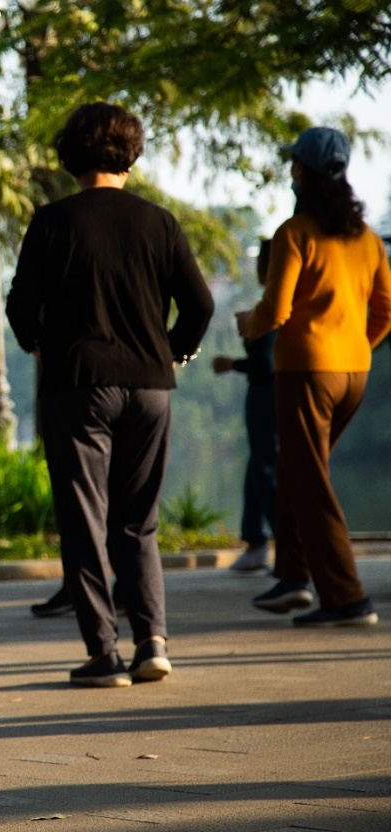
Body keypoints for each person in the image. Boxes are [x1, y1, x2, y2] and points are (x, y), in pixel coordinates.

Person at [6, 102, 214, 687]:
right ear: (131, 153)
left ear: (69, 155)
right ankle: (153, 642)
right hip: (150, 386)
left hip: (77, 385)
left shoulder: (52, 222)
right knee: (137, 522)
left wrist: (40, 344)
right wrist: (172, 351)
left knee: (84, 520)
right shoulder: (160, 222)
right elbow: (200, 305)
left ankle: (104, 654)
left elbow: (20, 305)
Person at [239, 125, 391, 626]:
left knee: (311, 481)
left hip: (306, 370)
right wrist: (353, 348)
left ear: (300, 171)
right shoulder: (367, 240)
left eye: (292, 165)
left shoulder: (294, 234)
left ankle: (347, 598)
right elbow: (386, 311)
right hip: (353, 372)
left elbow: (275, 310)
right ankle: (292, 578)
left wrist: (248, 325)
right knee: (299, 471)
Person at [213, 240, 278, 575]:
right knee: (258, 467)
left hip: (270, 398)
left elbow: (267, 363)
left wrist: (232, 363)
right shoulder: (269, 306)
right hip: (266, 398)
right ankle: (255, 540)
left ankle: (287, 543)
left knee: (267, 468)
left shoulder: (275, 308)